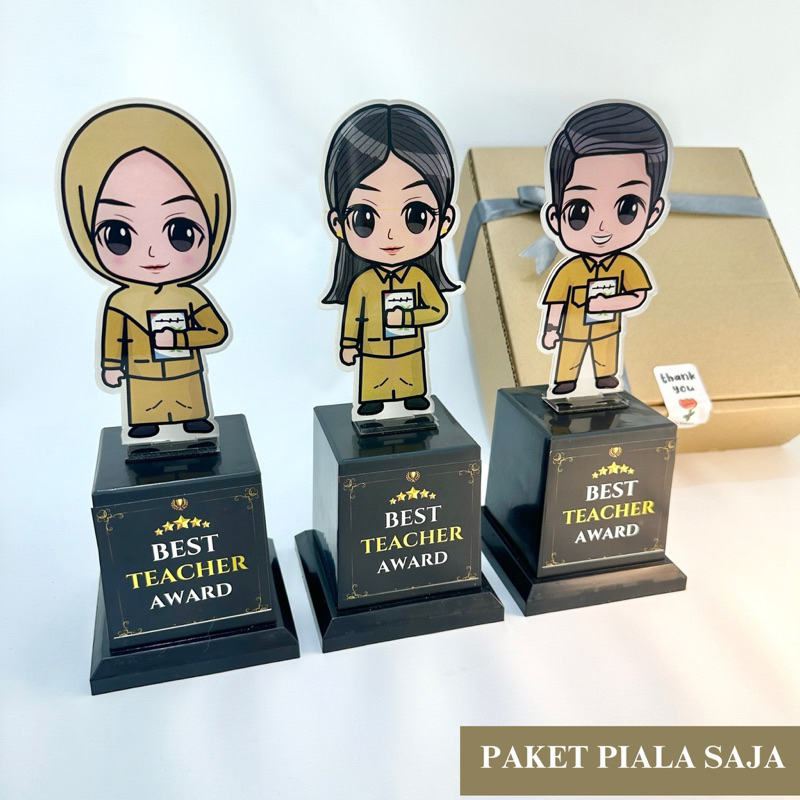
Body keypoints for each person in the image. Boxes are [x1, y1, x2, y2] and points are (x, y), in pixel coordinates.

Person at [61, 102, 232, 439]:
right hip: (141, 379)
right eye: (119, 235)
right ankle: (144, 424)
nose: (153, 253)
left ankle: (192, 418)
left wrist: (180, 339)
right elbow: (113, 337)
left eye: (181, 232)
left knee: (190, 407)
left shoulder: (190, 297)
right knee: (144, 413)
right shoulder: (119, 303)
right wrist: (111, 366)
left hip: (185, 377)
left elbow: (216, 332)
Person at [322, 102, 461, 417]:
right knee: (373, 381)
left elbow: (438, 309)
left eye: (415, 215)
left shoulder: (418, 279)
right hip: (372, 350)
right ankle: (372, 400)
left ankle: (413, 396)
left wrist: (408, 317)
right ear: (338, 224)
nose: (389, 235)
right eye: (365, 218)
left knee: (411, 378)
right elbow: (353, 316)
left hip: (410, 348)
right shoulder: (363, 283)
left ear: (445, 221)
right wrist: (348, 344)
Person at [539, 101, 671, 396]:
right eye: (579, 212)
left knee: (606, 354)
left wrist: (608, 304)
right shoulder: (569, 268)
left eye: (626, 208)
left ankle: (605, 377)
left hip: (607, 328)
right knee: (569, 355)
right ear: (555, 217)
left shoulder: (628, 265)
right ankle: (565, 381)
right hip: (571, 331)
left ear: (653, 213)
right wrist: (550, 329)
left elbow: (638, 296)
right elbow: (556, 302)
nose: (601, 227)